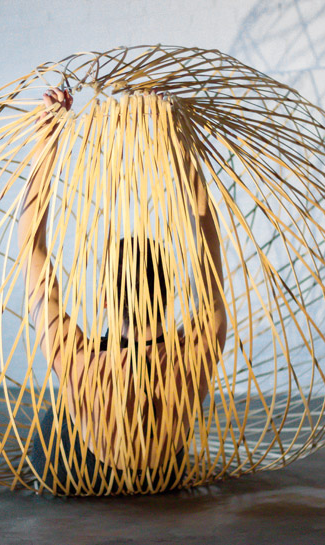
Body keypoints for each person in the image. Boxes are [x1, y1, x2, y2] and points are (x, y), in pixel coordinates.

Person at [17, 88, 227, 493]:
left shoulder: (79, 359)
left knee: (56, 413)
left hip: (81, 476)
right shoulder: (199, 345)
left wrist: (48, 139)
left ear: (106, 298)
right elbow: (207, 242)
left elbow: (32, 247)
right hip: (163, 476)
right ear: (168, 292)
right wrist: (178, 141)